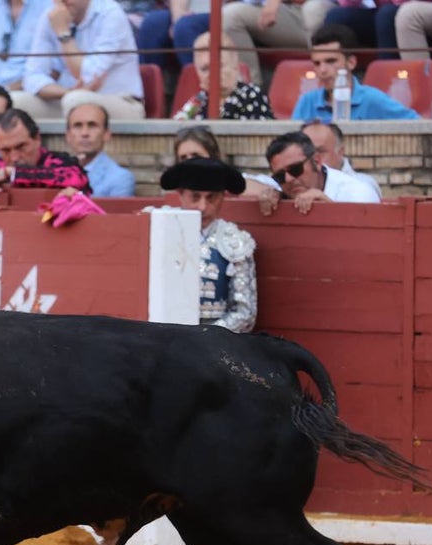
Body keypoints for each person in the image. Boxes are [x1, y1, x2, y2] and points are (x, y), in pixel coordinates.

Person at [159, 157, 257, 333]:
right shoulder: (159, 230)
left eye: (211, 198)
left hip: (214, 343)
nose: (203, 207)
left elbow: (245, 313)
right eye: (195, 197)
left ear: (223, 197)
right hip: (161, 335)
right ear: (181, 194)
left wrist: (204, 337)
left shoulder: (235, 241)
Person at [17, 0, 145, 122]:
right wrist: (66, 92)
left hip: (120, 102)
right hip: (68, 99)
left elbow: (87, 76)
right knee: (18, 101)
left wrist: (63, 32)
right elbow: (31, 77)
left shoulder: (110, 14)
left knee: (76, 101)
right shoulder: (51, 16)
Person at [292, 25, 419, 121]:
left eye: (331, 61)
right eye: (317, 63)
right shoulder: (307, 102)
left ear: (351, 62)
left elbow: (418, 126)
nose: (322, 70)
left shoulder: (373, 99)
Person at [262, 130, 380, 215]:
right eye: (279, 176)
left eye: (295, 169)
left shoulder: (357, 193)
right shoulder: (280, 189)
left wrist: (329, 209)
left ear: (317, 161)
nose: (288, 179)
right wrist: (272, 196)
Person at [222, 0, 335, 86]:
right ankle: (250, 91)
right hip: (274, 9)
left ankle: (250, 92)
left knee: (313, 9)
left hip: (314, 10)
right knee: (224, 16)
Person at [173, 32, 273, 120]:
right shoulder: (199, 100)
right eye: (204, 69)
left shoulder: (252, 95)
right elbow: (177, 126)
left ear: (235, 65)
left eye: (218, 66)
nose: (211, 74)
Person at [300, 119, 381, 198]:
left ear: (340, 152)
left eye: (320, 151)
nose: (313, 159)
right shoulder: (292, 185)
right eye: (306, 153)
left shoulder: (363, 186)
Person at [65, 102, 133, 197]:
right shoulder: (57, 171)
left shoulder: (120, 178)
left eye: (92, 125)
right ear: (68, 135)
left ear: (106, 134)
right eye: (78, 126)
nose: (85, 133)